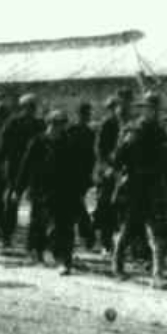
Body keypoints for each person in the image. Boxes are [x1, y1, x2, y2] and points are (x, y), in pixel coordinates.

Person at [111, 92, 167, 287]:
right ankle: (117, 266)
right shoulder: (132, 130)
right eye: (149, 108)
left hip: (154, 186)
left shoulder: (160, 132)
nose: (153, 112)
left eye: (156, 109)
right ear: (143, 110)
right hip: (134, 186)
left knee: (157, 230)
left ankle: (158, 274)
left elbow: (166, 161)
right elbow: (118, 159)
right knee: (128, 228)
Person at [18, 109, 84, 274]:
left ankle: (63, 259)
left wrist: (79, 190)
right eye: (55, 124)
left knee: (62, 226)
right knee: (38, 223)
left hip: (62, 191)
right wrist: (19, 189)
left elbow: (75, 169)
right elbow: (26, 166)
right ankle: (36, 252)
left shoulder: (68, 142)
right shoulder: (38, 142)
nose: (58, 128)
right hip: (40, 190)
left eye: (61, 124)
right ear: (48, 124)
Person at [0, 93, 45, 246]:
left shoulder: (39, 124)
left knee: (37, 204)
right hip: (15, 168)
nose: (31, 110)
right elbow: (4, 146)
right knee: (12, 202)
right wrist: (3, 165)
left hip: (34, 169)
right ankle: (7, 235)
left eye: (33, 107)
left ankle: (34, 240)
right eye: (29, 107)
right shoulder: (13, 123)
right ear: (23, 107)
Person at [94, 88, 134, 253]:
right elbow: (99, 149)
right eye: (122, 100)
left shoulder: (132, 122)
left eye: (128, 100)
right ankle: (106, 242)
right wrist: (107, 168)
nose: (125, 104)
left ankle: (126, 244)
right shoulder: (108, 123)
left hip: (127, 171)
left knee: (127, 208)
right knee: (106, 205)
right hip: (109, 171)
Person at [68, 101, 97, 250]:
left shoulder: (90, 132)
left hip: (83, 175)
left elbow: (92, 156)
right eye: (83, 114)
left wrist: (91, 173)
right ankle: (86, 236)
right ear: (78, 115)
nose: (86, 116)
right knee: (76, 205)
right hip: (71, 173)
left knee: (78, 205)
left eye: (87, 114)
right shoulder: (71, 130)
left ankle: (86, 236)